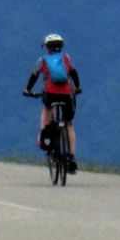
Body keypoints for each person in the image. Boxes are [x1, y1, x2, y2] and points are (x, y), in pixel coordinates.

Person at [23, 33, 80, 173]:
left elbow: (34, 76)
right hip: (67, 95)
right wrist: (77, 88)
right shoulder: (66, 59)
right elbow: (74, 73)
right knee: (69, 124)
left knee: (46, 110)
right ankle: (71, 157)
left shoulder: (42, 61)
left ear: (47, 47)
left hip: (50, 95)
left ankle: (45, 134)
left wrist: (28, 90)